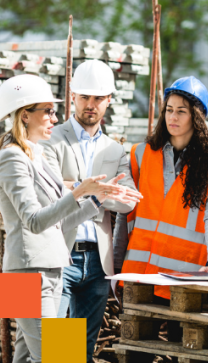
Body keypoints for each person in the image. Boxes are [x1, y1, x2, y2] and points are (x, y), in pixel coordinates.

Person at [0, 74, 140, 363]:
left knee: (30, 357)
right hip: (26, 274)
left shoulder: (36, 156)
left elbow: (59, 222)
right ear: (25, 116)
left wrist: (96, 197)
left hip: (50, 270)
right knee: (57, 356)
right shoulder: (11, 158)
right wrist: (77, 192)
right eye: (47, 110)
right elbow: (34, 221)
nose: (54, 117)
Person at [41, 60, 139, 362]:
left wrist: (81, 188)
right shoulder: (51, 139)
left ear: (109, 100)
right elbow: (47, 192)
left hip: (97, 261)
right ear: (73, 96)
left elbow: (128, 201)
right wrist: (97, 189)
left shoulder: (115, 150)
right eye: (84, 97)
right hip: (60, 255)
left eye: (98, 98)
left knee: (80, 350)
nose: (90, 105)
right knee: (53, 347)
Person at [114, 76, 208, 300]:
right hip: (139, 274)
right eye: (169, 110)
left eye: (181, 111)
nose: (172, 117)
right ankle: (41, 334)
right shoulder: (141, 154)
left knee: (55, 325)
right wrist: (117, 266)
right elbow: (125, 215)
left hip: (182, 278)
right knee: (49, 324)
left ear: (196, 117)